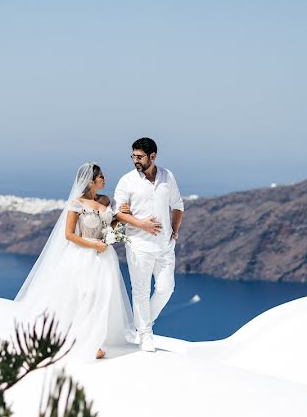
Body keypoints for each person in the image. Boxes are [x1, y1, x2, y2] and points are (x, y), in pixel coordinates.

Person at [15, 162, 135, 361]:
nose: (104, 178)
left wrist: (121, 219)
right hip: (83, 256)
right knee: (86, 295)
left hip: (105, 257)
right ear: (90, 181)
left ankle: (96, 339)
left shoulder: (106, 200)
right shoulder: (77, 204)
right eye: (100, 176)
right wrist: (94, 246)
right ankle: (82, 342)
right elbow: (69, 235)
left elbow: (109, 224)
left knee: (103, 296)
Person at [114, 137, 184, 352]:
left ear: (152, 157)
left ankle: (140, 326)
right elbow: (117, 212)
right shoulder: (127, 181)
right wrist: (141, 224)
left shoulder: (167, 176)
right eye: (133, 156)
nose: (135, 160)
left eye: (139, 157)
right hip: (139, 245)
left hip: (164, 246)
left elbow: (178, 205)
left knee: (166, 289)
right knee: (141, 291)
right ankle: (145, 334)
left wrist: (175, 230)